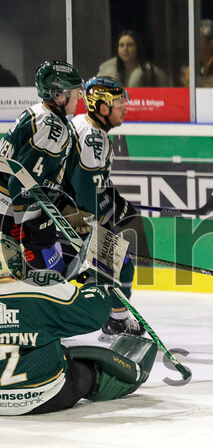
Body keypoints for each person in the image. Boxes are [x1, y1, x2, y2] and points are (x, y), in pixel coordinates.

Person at [0, 236, 158, 415]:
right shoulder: (40, 290)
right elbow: (93, 314)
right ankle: (133, 376)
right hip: (50, 398)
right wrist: (96, 280)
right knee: (86, 369)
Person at [64, 76, 143, 340]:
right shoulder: (92, 139)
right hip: (71, 219)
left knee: (118, 265)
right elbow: (86, 192)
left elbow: (98, 184)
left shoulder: (86, 127)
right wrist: (110, 213)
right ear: (102, 107)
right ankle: (114, 324)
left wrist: (116, 202)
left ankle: (115, 321)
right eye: (119, 103)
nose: (125, 107)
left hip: (68, 214)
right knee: (119, 265)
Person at [0, 61, 84, 272]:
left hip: (10, 210)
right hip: (8, 213)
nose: (79, 98)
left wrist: (61, 203)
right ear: (59, 95)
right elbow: (20, 183)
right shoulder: (52, 128)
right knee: (50, 276)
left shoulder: (40, 113)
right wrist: (38, 223)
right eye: (75, 93)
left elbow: (37, 177)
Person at [96, 30, 169, 88]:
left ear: (137, 48)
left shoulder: (152, 73)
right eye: (121, 45)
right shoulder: (107, 72)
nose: (125, 49)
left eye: (130, 45)